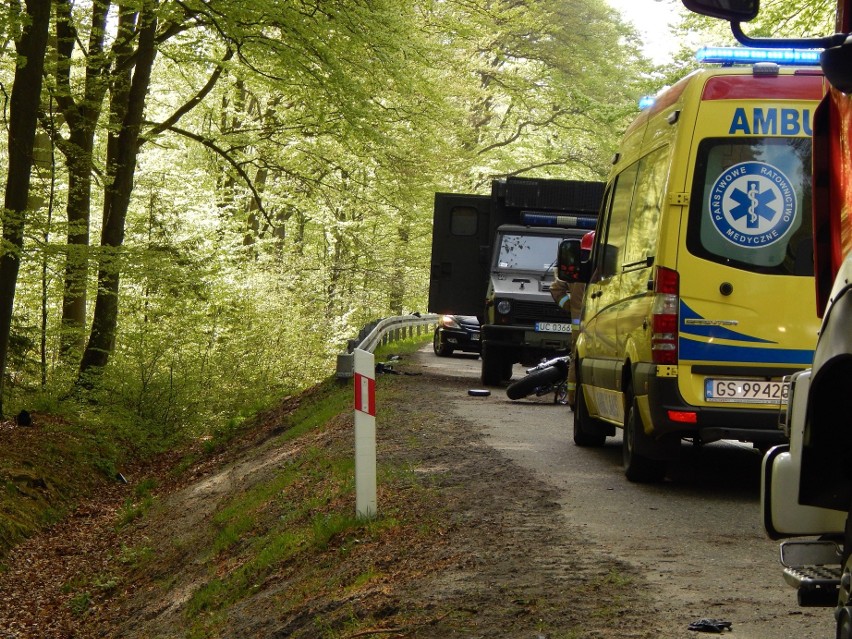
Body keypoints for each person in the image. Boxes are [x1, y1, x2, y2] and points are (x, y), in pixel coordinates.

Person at [549, 231, 594, 407]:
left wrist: (571, 307)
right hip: (602, 324)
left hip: (579, 325)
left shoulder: (574, 269)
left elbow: (556, 289)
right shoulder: (603, 268)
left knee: (576, 358)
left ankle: (573, 399)